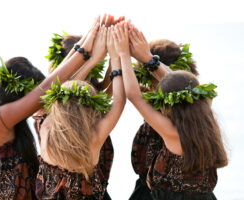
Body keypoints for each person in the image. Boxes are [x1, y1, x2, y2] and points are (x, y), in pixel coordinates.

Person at [0, 16, 100, 200]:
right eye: (30, 97)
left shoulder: (3, 121)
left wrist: (89, 45)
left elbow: (52, 89)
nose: (37, 105)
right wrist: (86, 50)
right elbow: (46, 91)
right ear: (14, 92)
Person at [112, 22, 228, 200]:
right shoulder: (205, 110)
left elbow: (134, 95)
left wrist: (122, 54)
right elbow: (183, 90)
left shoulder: (171, 131)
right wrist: (149, 59)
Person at [35, 25, 126, 200]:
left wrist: (103, 58)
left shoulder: (46, 118)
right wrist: (116, 56)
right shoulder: (94, 133)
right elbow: (119, 100)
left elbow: (107, 91)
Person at [127, 24, 200, 199]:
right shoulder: (200, 109)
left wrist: (147, 59)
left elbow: (179, 87)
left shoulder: (193, 109)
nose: (147, 87)